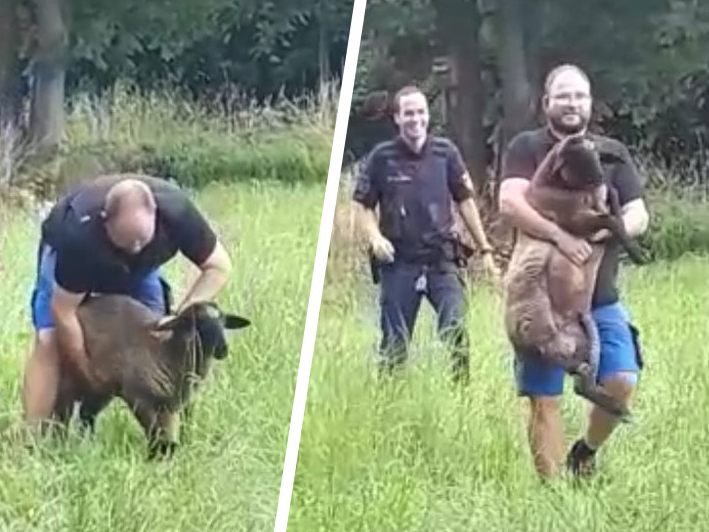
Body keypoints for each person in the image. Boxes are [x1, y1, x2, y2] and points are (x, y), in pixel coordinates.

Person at [498, 64, 650, 478]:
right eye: (563, 96)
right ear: (547, 103)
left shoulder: (612, 152)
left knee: (620, 379)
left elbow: (638, 214)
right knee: (544, 400)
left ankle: (584, 453)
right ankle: (553, 500)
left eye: (579, 96)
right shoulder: (526, 148)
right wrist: (560, 237)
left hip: (599, 297)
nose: (571, 103)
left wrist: (604, 234)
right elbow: (511, 202)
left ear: (590, 102)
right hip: (539, 300)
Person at [24, 173, 232, 428]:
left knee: (157, 334)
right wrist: (87, 371)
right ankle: (33, 434)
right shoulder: (78, 236)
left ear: (156, 215)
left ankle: (164, 439)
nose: (134, 247)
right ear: (105, 222)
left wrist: (183, 314)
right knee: (50, 339)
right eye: (127, 241)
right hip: (75, 259)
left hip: (140, 270)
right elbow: (63, 311)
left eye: (141, 240)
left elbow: (218, 267)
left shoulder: (177, 213)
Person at [352, 85, 500, 383]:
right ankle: (388, 404)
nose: (415, 119)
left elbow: (466, 201)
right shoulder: (382, 157)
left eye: (420, 112)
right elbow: (362, 206)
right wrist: (374, 238)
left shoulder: (446, 153)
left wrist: (485, 250)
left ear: (428, 115)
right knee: (394, 344)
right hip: (398, 262)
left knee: (456, 329)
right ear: (397, 118)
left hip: (442, 259)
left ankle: (461, 398)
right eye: (408, 113)